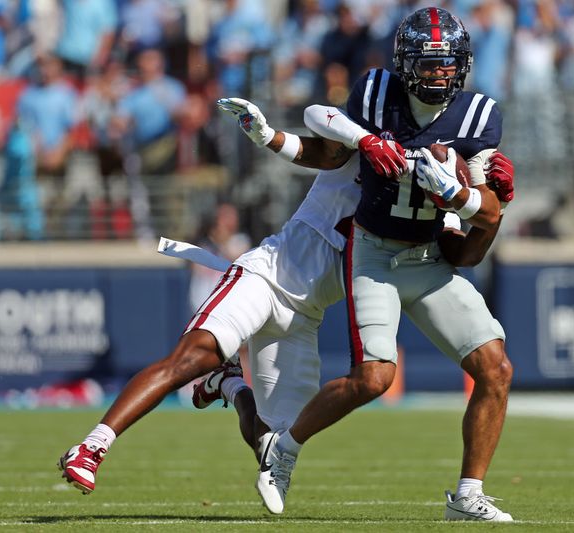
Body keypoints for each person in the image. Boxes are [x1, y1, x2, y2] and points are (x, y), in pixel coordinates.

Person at [57, 92, 514, 504]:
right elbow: (322, 124)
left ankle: (231, 384)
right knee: (192, 356)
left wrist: (481, 203)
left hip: (304, 316)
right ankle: (93, 445)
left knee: (269, 445)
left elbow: (461, 250)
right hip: (267, 273)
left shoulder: (432, 202)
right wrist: (272, 136)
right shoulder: (370, 152)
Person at [255, 7, 515, 522]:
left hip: (430, 259)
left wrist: (457, 193)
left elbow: (488, 213)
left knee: (496, 369)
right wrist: (365, 140)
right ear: (404, 62)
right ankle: (282, 448)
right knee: (372, 378)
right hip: (374, 251)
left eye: (448, 63)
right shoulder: (376, 93)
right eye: (429, 62)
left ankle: (467, 496)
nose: (439, 73)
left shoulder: (481, 116)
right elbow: (319, 119)